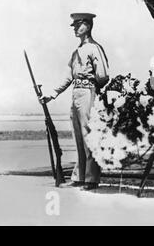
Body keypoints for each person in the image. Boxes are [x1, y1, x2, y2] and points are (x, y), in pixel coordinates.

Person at [40, 13, 109, 191]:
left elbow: (103, 75)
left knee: (89, 135)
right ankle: (79, 177)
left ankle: (91, 179)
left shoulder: (95, 48)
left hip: (88, 92)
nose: (75, 29)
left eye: (79, 24)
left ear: (88, 25)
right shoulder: (76, 52)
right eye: (74, 25)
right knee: (78, 136)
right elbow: (68, 76)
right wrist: (52, 94)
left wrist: (92, 87)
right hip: (76, 93)